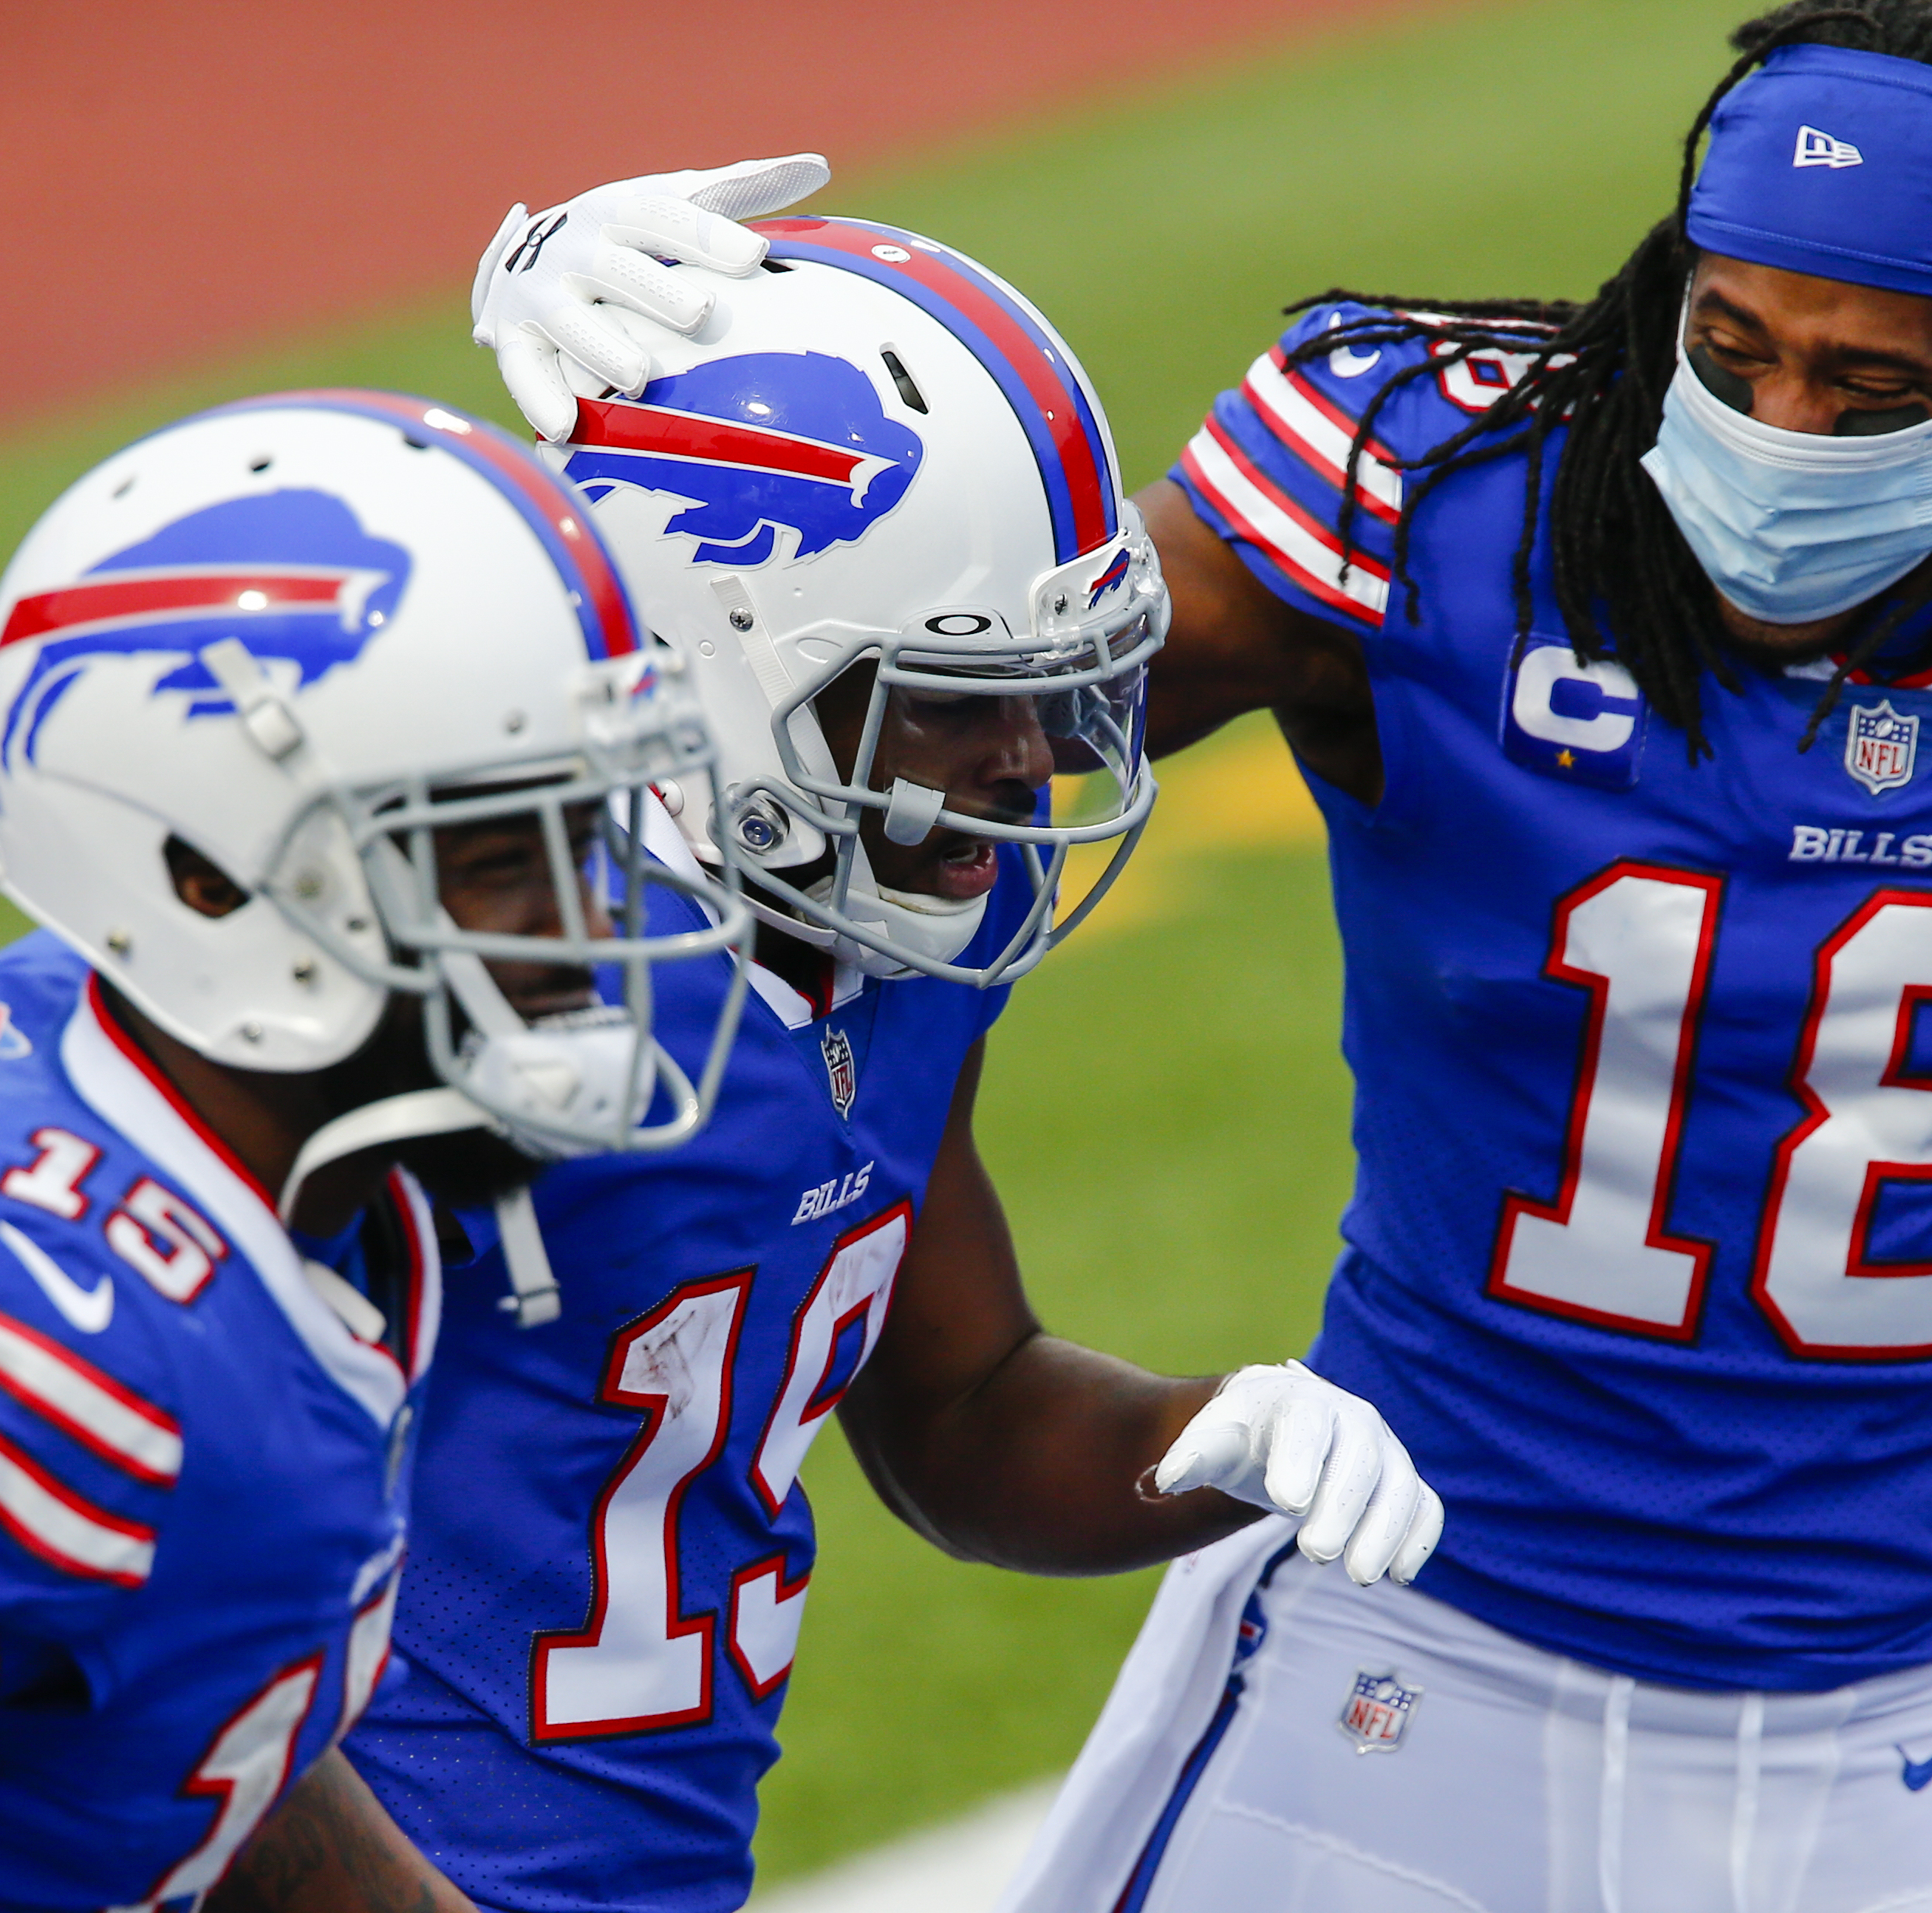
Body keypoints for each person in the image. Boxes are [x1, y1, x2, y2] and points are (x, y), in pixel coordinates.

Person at [484, 5, 1932, 1896]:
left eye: (1866, 382)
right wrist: (631, 452)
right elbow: (917, 738)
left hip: (1861, 1736)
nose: (1776, 421)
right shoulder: (1437, 493)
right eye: (1728, 342)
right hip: (1388, 1658)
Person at [305, 180, 1448, 1913]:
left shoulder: (895, 934)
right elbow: (150, 1549)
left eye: (1048, 687)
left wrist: (1217, 1437)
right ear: (703, 659)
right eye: (953, 695)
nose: (1025, 762)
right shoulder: (478, 980)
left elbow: (963, 1406)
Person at [0, 389, 757, 1907]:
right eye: (495, 858)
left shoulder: (290, 1168)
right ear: (207, 878)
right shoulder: (6, 1326)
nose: (590, 929)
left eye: (586, 837)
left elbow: (184, 1696)